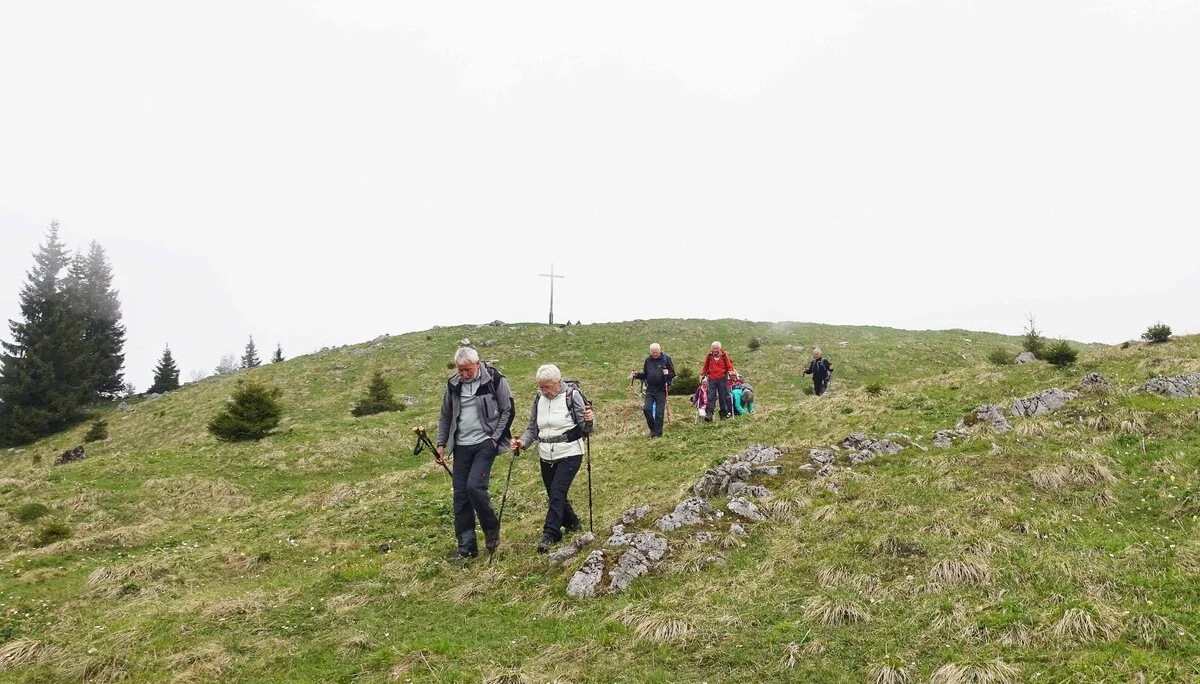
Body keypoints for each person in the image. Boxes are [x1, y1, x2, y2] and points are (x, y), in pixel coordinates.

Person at [436, 347, 514, 561]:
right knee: (460, 496)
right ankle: (467, 548)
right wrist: (441, 444)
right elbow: (445, 415)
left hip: (484, 444)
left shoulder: (494, 380)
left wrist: (494, 439)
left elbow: (508, 410)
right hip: (461, 446)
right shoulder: (453, 385)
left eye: (467, 369)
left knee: (475, 487)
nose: (463, 374)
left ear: (477, 364)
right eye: (460, 370)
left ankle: (492, 531)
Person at [511, 364, 595, 553]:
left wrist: (590, 420)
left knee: (557, 492)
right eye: (541, 386)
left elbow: (588, 428)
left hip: (570, 452)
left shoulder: (572, 396)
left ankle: (551, 534)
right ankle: (573, 523)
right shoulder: (539, 398)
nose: (544, 391)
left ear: (559, 382)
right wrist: (523, 443)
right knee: (555, 494)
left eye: (547, 387)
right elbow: (533, 428)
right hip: (545, 454)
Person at [631, 343, 675, 438]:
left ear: (660, 350)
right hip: (650, 389)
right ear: (650, 351)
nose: (655, 354)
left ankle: (657, 435)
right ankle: (653, 429)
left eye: (656, 352)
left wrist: (668, 373)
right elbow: (645, 375)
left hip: (662, 389)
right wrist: (637, 375)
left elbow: (673, 373)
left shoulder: (666, 359)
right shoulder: (648, 360)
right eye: (653, 352)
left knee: (659, 413)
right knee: (646, 409)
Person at [700, 341, 737, 421]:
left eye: (716, 348)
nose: (715, 350)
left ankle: (723, 414)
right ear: (711, 349)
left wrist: (731, 372)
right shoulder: (709, 356)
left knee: (722, 397)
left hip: (722, 378)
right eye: (713, 348)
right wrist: (703, 374)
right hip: (712, 378)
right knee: (711, 396)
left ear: (720, 349)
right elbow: (705, 366)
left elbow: (729, 365)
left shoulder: (724, 355)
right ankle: (709, 414)